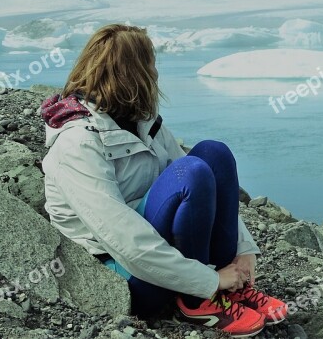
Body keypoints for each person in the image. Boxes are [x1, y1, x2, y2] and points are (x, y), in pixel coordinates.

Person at [40, 24, 286, 338]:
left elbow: (202, 177)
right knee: (190, 174)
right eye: (151, 63)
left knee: (214, 153)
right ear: (131, 72)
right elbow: (124, 240)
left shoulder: (142, 122)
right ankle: (199, 301)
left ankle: (231, 288)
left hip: (159, 257)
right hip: (123, 273)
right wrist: (208, 280)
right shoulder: (77, 143)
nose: (156, 72)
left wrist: (244, 251)